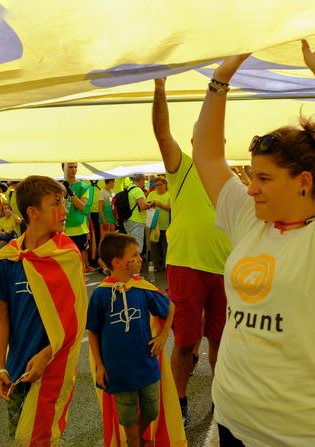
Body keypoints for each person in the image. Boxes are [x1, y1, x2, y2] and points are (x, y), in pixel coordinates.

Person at [193, 38, 315, 444]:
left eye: (263, 179)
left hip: (311, 431)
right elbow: (206, 155)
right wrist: (220, 78)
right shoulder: (249, 220)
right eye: (251, 176)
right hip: (234, 420)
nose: (250, 188)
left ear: (304, 182)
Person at [152, 75, 234, 425]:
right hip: (186, 265)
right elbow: (161, 134)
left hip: (226, 269)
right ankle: (179, 402)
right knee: (185, 343)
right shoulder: (181, 166)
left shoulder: (232, 176)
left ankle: (222, 397)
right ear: (192, 140)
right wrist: (159, 89)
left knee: (222, 342)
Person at [0, 175, 88, 443]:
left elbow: (76, 319)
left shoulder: (67, 255)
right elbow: (1, 316)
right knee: (21, 438)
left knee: (38, 439)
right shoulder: (7, 257)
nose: (66, 210)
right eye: (57, 203)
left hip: (53, 365)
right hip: (16, 370)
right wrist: (0, 367)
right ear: (33, 212)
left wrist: (45, 355)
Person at [87, 232, 175, 447]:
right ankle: (134, 442)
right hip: (119, 372)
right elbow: (93, 331)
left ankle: (133, 441)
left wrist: (163, 336)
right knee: (127, 419)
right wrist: (99, 365)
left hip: (147, 366)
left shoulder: (142, 288)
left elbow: (170, 307)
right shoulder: (101, 295)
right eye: (134, 255)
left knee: (152, 411)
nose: (140, 259)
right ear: (117, 263)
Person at [62, 162, 96, 271]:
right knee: (66, 260)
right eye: (70, 167)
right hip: (63, 228)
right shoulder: (59, 186)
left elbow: (82, 206)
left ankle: (81, 284)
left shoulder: (84, 186)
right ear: (63, 169)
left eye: (75, 167)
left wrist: (71, 193)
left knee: (80, 258)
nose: (73, 169)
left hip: (79, 229)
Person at [145, 176, 171, 273]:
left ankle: (166, 264)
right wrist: (151, 204)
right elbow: (146, 206)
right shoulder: (152, 194)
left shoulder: (169, 194)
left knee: (165, 245)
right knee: (154, 244)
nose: (158, 187)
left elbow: (169, 207)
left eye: (160, 185)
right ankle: (155, 264)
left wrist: (159, 204)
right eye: (156, 185)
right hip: (153, 224)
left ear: (165, 184)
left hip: (165, 224)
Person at [122, 174, 151, 256]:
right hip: (137, 222)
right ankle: (135, 267)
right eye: (144, 180)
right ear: (141, 179)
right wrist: (151, 204)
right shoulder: (137, 190)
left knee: (131, 246)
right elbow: (143, 206)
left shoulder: (129, 188)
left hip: (128, 220)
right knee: (137, 249)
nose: (144, 182)